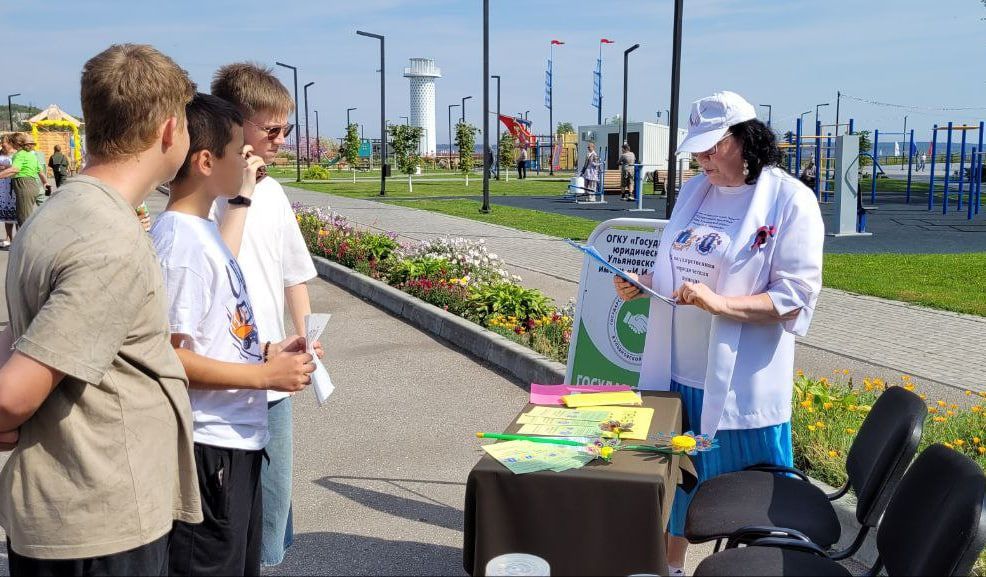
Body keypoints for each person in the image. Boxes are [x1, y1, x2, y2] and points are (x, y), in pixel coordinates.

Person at [0, 43, 202, 576]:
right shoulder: (110, 239)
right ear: (169, 130)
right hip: (98, 519)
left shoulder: (59, 210)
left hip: (71, 513)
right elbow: (13, 396)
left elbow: (24, 332)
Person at [613, 91, 824, 577]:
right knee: (679, 482)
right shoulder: (695, 191)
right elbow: (679, 265)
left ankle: (754, 568)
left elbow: (794, 294)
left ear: (746, 139)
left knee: (745, 495)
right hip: (680, 371)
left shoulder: (790, 199)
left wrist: (722, 304)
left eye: (713, 147)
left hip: (740, 385)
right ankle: (671, 566)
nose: (702, 157)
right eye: (697, 148)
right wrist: (644, 285)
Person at [152, 92, 315, 577]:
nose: (248, 162)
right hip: (209, 445)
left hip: (234, 441)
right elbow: (167, 359)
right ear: (206, 162)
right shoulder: (181, 244)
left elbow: (218, 331)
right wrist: (265, 375)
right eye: (236, 152)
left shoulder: (203, 233)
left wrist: (267, 348)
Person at [210, 62, 322, 568]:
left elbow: (293, 275)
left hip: (276, 376)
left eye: (287, 130)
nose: (281, 141)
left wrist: (305, 334)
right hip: (226, 381)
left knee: (273, 505)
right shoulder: (209, 196)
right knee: (228, 515)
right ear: (235, 124)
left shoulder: (274, 193)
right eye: (271, 129)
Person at [0, 133, 49, 225]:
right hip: (32, 185)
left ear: (16, 144)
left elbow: (15, 169)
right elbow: (40, 171)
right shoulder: (30, 154)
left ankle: (28, 238)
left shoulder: (20, 154)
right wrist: (46, 182)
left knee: (24, 218)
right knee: (25, 215)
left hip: (24, 185)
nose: (10, 145)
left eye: (11, 142)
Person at [0, 135, 16, 246]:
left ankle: (18, 239)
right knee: (6, 214)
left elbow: (17, 167)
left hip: (14, 184)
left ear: (10, 143)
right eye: (1, 143)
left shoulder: (16, 154)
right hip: (2, 185)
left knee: (18, 214)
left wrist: (5, 168)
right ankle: (9, 238)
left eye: (4, 143)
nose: (2, 145)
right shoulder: (0, 153)